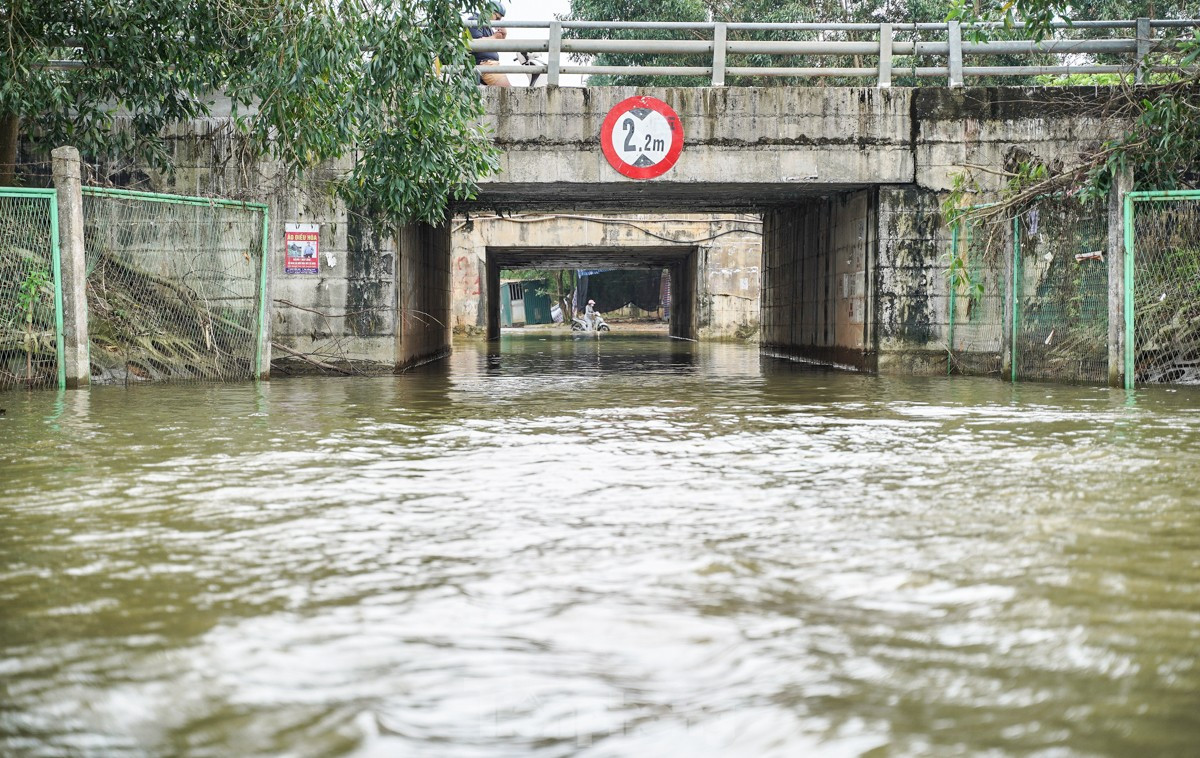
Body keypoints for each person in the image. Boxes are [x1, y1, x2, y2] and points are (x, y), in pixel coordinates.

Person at [469, 3, 510, 87]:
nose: (498, 21)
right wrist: (495, 37)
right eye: (497, 18)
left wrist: (503, 36)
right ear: (490, 11)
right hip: (485, 64)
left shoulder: (488, 28)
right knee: (508, 90)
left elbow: (496, 47)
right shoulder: (475, 20)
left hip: (492, 64)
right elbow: (476, 43)